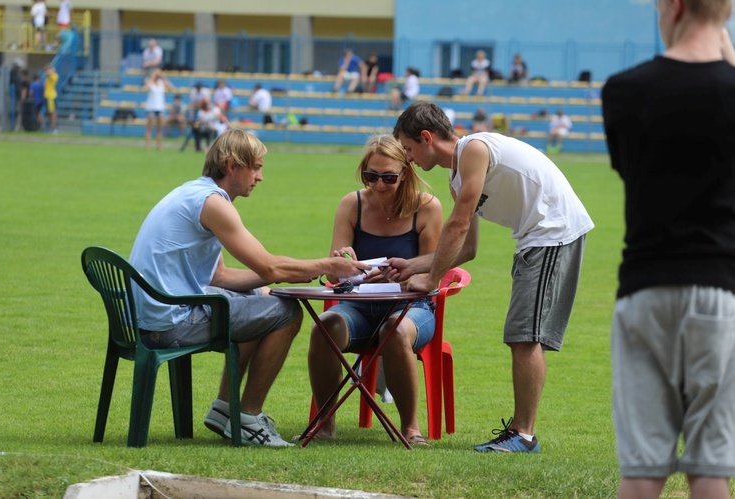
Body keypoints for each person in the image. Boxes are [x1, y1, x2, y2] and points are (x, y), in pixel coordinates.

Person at [129, 128, 368, 447]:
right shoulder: (214, 204)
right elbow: (269, 267)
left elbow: (222, 278)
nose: (260, 177)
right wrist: (325, 266)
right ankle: (249, 418)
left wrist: (288, 277)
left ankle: (224, 408)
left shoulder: (195, 193)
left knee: (265, 298)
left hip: (155, 313)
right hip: (167, 323)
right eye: (255, 167)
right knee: (286, 312)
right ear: (231, 165)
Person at [388, 102, 594, 453]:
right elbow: (467, 249)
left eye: (408, 148)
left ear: (426, 137)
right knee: (522, 335)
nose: (407, 158)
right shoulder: (458, 176)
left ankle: (524, 436)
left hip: (553, 233)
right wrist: (414, 266)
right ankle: (520, 432)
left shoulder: (475, 149)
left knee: (525, 337)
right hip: (537, 238)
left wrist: (431, 279)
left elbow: (459, 222)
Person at [602, 1, 735, 497]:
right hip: (720, 289)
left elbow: (630, 169)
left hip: (644, 287)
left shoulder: (623, 91)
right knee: (710, 469)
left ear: (674, 6)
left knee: (641, 470)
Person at [306, 135, 443, 446]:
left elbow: (431, 272)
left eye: (388, 177)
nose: (379, 185)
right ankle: (324, 423)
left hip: (412, 307)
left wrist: (399, 279)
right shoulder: (352, 203)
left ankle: (410, 428)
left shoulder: (427, 207)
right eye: (371, 176)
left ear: (405, 173)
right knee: (324, 328)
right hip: (359, 305)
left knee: (393, 332)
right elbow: (334, 269)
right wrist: (343, 262)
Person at [142, 69, 175, 152]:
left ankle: (159, 147)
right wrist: (152, 77)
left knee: (159, 129)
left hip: (160, 108)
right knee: (149, 128)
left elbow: (171, 88)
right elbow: (146, 88)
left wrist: (163, 78)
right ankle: (148, 147)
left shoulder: (161, 83)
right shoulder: (149, 81)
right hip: (151, 108)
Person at [43, 65, 58, 133]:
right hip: (47, 96)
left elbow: (50, 75)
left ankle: (53, 127)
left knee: (52, 112)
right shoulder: (48, 77)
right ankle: (51, 126)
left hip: (51, 97)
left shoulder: (54, 75)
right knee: (49, 113)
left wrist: (49, 71)